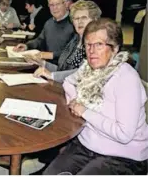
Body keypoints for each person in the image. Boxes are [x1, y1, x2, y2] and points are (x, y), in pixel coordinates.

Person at [43, 18, 148, 175]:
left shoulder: (126, 79)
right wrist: (75, 101)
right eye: (88, 44)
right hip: (87, 144)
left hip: (123, 155)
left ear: (115, 48)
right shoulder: (88, 69)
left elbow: (124, 134)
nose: (91, 51)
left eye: (99, 44)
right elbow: (68, 82)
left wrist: (85, 111)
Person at [27, 0, 101, 83]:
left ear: (94, 20)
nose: (80, 22)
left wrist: (52, 75)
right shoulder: (75, 41)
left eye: (84, 18)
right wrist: (43, 63)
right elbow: (62, 69)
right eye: (76, 18)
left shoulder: (95, 45)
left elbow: (82, 73)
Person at [14, 0, 75, 64]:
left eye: (58, 4)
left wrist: (50, 55)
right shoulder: (49, 23)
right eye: (51, 5)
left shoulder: (74, 24)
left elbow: (73, 51)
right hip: (45, 65)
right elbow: (39, 41)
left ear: (65, 4)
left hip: (64, 70)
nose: (54, 8)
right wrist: (26, 46)